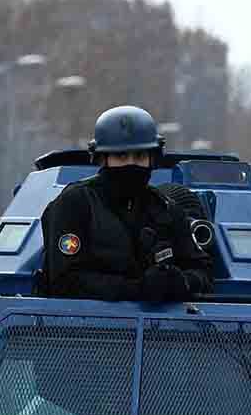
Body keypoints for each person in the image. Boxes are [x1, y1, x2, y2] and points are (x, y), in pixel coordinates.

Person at [38, 104, 214, 302]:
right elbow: (65, 281)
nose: (131, 164)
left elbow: (203, 271)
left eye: (139, 156)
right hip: (83, 327)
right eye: (121, 156)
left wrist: (181, 282)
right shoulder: (75, 204)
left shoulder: (165, 209)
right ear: (103, 159)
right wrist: (137, 289)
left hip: (158, 328)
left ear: (152, 159)